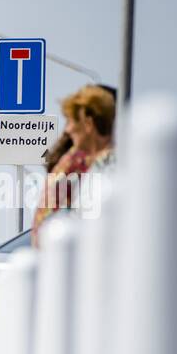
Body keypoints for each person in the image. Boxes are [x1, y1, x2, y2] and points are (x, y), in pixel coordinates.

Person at [32, 84, 116, 245]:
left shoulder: (104, 167)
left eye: (71, 121)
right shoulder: (88, 164)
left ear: (88, 124)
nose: (68, 130)